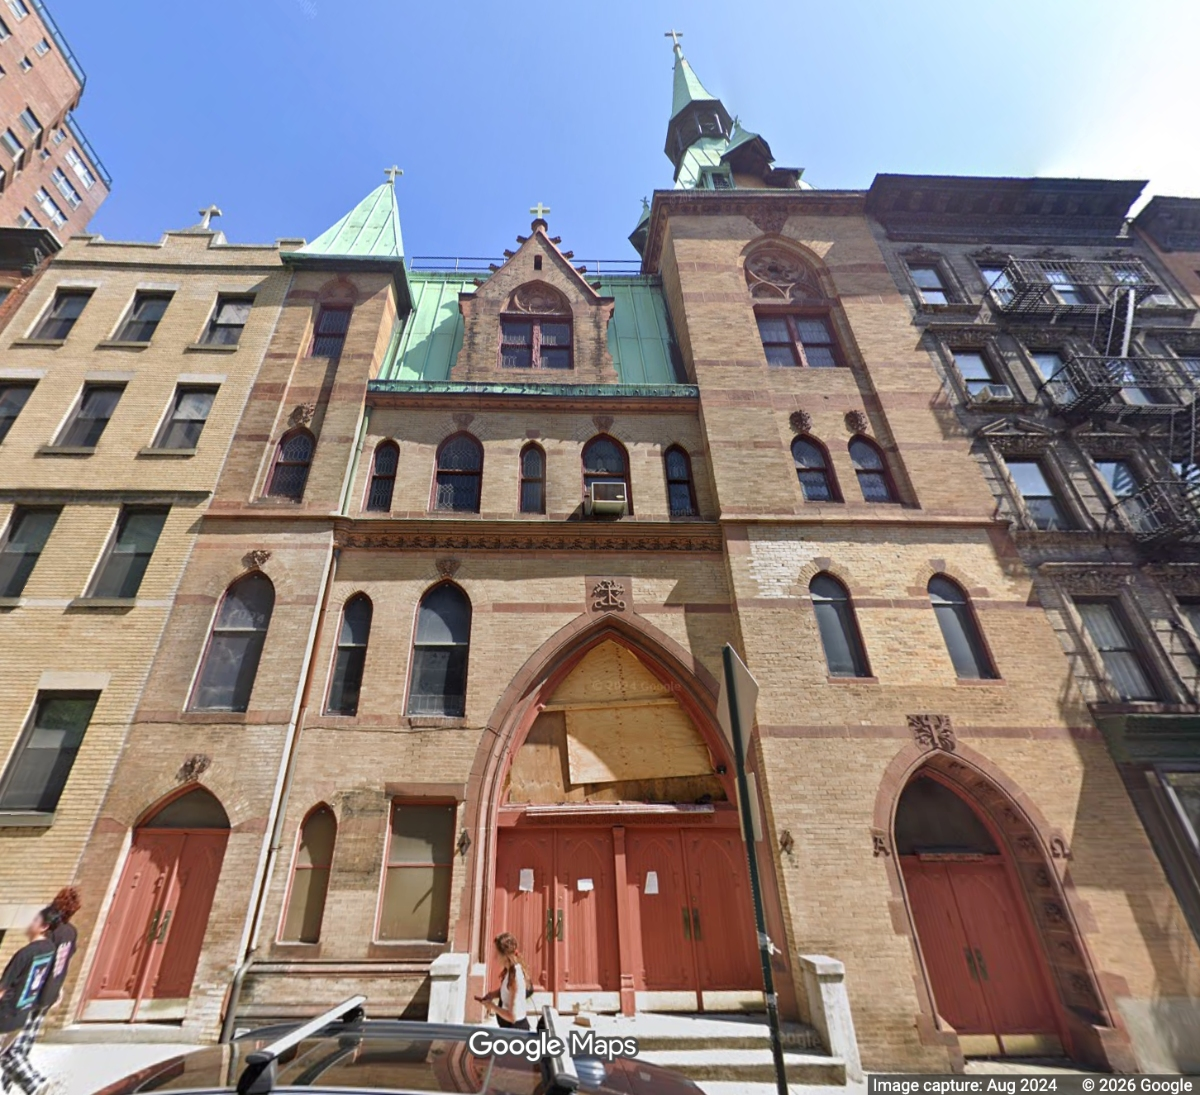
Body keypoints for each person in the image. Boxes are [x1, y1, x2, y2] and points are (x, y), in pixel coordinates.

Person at [2, 886, 82, 1095]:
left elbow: (41, 964)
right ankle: (9, 1084)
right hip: (49, 994)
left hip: (33, 995)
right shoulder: (71, 932)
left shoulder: (51, 934)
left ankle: (29, 1084)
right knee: (23, 1043)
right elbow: (63, 963)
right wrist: (59, 988)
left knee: (12, 1047)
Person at [0, 908, 56, 1095]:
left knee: (8, 1055)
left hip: (6, 1013)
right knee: (8, 1053)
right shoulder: (49, 949)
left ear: (44, 926)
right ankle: (35, 1083)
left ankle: (35, 1084)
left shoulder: (24, 954)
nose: (29, 923)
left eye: (34, 920)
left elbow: (3, 988)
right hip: (23, 1011)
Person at [474, 932, 531, 1029]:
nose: (495, 957)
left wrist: (492, 1006)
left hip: (516, 1031)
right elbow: (508, 990)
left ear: (505, 956)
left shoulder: (515, 976)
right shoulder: (510, 971)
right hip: (509, 1029)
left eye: (497, 953)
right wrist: (492, 994)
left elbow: (512, 1017)